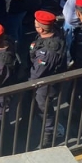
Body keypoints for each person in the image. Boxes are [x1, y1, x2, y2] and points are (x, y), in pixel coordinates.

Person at [29, 10, 66, 146]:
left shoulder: (48, 51)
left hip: (44, 84)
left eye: (36, 25)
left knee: (44, 110)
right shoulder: (52, 34)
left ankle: (48, 137)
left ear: (41, 29)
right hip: (42, 80)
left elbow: (38, 72)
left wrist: (28, 83)